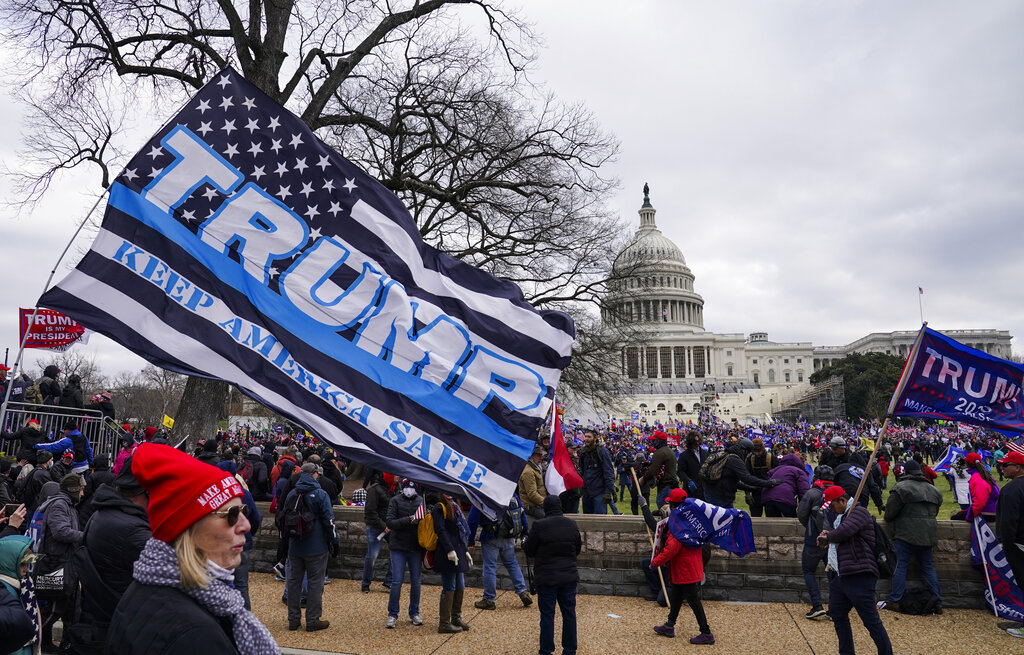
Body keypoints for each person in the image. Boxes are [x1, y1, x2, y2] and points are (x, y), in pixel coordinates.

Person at [106, 442, 279, 655]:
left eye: (243, 511)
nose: (246, 525)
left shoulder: (148, 586)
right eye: (231, 515)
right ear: (188, 528)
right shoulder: (196, 635)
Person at [66, 457, 151, 654]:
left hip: (103, 624)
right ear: (145, 492)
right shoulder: (132, 530)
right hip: (117, 631)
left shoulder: (107, 513)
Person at [817, 486, 893, 655]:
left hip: (861, 574)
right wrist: (829, 534)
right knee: (837, 614)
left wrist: (828, 537)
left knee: (871, 621)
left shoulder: (859, 512)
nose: (831, 510)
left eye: (832, 506)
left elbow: (845, 531)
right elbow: (841, 532)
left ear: (842, 501)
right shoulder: (843, 518)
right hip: (842, 574)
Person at [650, 488, 714, 644]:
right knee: (677, 597)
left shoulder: (677, 524)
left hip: (686, 570)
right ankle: (669, 625)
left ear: (672, 505)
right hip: (690, 567)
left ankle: (706, 633)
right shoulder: (692, 520)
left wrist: (655, 562)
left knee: (694, 601)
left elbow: (672, 548)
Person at [879, 458, 944, 614]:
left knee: (900, 566)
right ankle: (937, 601)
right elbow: (934, 511)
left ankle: (895, 600)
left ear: (905, 472)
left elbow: (889, 514)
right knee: (928, 567)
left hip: (905, 533)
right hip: (928, 533)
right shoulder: (933, 490)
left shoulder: (900, 488)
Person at [524, 495, 581, 655]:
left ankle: (546, 650)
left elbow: (529, 550)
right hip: (568, 576)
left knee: (548, 615)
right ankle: (570, 650)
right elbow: (577, 549)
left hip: (547, 577)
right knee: (569, 613)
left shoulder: (539, 525)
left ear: (546, 508)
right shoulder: (571, 524)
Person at [35, 474, 86, 653]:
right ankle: (36, 638)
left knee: (73, 611)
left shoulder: (69, 505)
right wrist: (86, 536)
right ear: (72, 489)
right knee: (55, 609)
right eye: (80, 489)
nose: (82, 493)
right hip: (58, 565)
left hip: (68, 564)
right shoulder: (59, 504)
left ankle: (66, 646)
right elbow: (61, 532)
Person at [283, 462, 335, 632]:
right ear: (314, 474)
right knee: (315, 583)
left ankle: (293, 619)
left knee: (293, 582)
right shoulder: (320, 494)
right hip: (316, 545)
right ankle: (312, 620)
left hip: (295, 545)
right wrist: (334, 541)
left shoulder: (293, 493)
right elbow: (329, 521)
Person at [468, 493, 532, 611]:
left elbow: (472, 520)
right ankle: (522, 591)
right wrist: (525, 533)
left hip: (490, 536)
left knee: (490, 567)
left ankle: (489, 599)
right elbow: (521, 513)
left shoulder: (482, 494)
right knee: (512, 564)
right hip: (508, 536)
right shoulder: (510, 492)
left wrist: (470, 541)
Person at [385, 478, 424, 628]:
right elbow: (390, 522)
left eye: (412, 487)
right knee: (396, 581)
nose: (409, 489)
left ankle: (414, 612)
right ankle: (392, 614)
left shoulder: (421, 501)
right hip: (398, 547)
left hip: (415, 547)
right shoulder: (395, 501)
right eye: (407, 487)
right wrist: (409, 520)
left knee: (416, 581)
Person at [431, 492, 472, 634]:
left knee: (460, 585)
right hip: (446, 552)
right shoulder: (439, 508)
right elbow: (441, 530)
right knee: (449, 586)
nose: (448, 493)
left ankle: (456, 617)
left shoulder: (455, 506)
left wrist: (465, 550)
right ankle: (444, 623)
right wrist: (449, 550)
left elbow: (459, 532)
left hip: (458, 550)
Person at [796, 464, 834, 619]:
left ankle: (817, 605)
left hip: (814, 539)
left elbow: (801, 514)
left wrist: (810, 527)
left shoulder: (811, 493)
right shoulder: (837, 492)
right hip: (832, 539)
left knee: (808, 570)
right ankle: (835, 607)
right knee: (833, 574)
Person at [995, 450, 1024, 638]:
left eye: (1006, 465)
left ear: (1018, 467)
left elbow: (1008, 521)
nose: (1002, 468)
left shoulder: (1012, 489)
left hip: (1018, 544)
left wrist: (1006, 543)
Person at [702, 438, 779, 508]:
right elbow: (747, 478)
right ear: (744, 450)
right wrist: (769, 483)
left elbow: (733, 481)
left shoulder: (726, 454)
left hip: (711, 493)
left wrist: (751, 488)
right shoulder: (735, 459)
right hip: (721, 496)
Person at [0, 535, 41, 655]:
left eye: (28, 564)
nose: (27, 569)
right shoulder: (5, 589)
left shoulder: (22, 585)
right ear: (9, 562)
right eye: (22, 564)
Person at [361, 470, 393, 593]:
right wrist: (383, 525)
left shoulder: (395, 489)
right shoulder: (374, 490)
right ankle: (365, 583)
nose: (398, 477)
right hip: (375, 527)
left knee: (396, 554)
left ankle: (389, 581)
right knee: (372, 556)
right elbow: (370, 512)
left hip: (390, 526)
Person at [761, 453, 810, 518]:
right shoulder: (799, 471)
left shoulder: (775, 470)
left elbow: (766, 481)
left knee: (772, 524)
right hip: (786, 498)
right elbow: (804, 491)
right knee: (791, 524)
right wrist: (804, 506)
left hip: (768, 498)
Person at [639, 431, 680, 509]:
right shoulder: (669, 451)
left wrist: (643, 479)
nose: (652, 442)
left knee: (663, 510)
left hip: (665, 485)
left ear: (658, 441)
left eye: (654, 440)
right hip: (672, 484)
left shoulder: (660, 452)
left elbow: (653, 470)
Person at [579, 429, 615, 514]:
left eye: (589, 437)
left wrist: (608, 492)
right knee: (588, 521)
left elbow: (609, 472)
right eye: (586, 436)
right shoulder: (583, 452)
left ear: (595, 438)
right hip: (587, 492)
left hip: (599, 493)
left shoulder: (602, 452)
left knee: (600, 522)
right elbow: (582, 471)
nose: (586, 439)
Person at [744, 438, 777, 517]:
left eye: (759, 451)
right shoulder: (750, 459)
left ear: (763, 449)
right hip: (755, 492)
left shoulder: (771, 458)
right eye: (755, 452)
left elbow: (778, 474)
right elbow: (745, 477)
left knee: (772, 518)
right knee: (755, 517)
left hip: (770, 492)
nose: (757, 454)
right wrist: (747, 494)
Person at [965, 452, 1000, 522]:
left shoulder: (977, 478)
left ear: (967, 464)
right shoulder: (985, 475)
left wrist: (969, 516)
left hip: (986, 513)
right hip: (993, 511)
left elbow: (980, 502)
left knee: (955, 517)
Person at [677, 431, 707, 500]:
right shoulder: (684, 455)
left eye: (698, 440)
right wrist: (688, 481)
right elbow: (680, 471)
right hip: (691, 490)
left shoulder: (705, 453)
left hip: (704, 489)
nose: (697, 443)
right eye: (695, 441)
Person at [519, 446, 548, 519]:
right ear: (531, 456)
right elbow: (532, 494)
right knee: (548, 519)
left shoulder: (536, 468)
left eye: (541, 455)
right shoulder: (529, 472)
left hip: (537, 505)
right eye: (538, 455)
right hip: (531, 506)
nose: (541, 458)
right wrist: (546, 503)